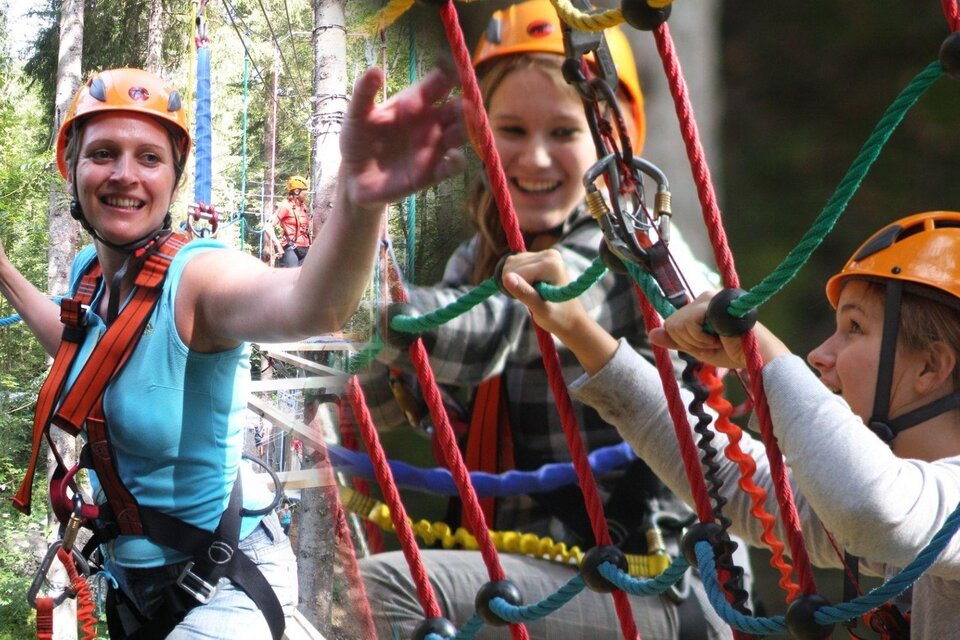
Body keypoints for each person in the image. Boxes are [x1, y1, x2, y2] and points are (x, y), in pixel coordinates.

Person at [0, 64, 465, 639]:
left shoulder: (199, 278)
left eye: (149, 158)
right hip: (133, 585)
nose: (125, 175)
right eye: (103, 153)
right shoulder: (89, 275)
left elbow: (309, 305)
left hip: (222, 584)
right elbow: (83, 351)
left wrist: (359, 201)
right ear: (71, 168)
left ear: (173, 178)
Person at [359, 2, 747, 638]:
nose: (536, 160)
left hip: (655, 586)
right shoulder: (476, 258)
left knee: (386, 588)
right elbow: (378, 394)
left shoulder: (628, 249)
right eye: (511, 129)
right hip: (540, 577)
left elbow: (494, 327)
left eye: (564, 133)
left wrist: (362, 306)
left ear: (609, 140)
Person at [500, 210, 960, 638]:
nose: (820, 355)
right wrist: (578, 330)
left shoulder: (918, 510)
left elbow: (871, 509)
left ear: (930, 368)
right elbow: (739, 484)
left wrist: (769, 356)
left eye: (854, 329)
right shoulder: (915, 509)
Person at [269, 175, 313, 267]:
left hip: (305, 248)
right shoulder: (285, 207)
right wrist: (278, 246)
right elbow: (268, 227)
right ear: (296, 192)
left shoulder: (303, 207)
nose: (306, 194)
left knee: (305, 279)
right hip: (291, 249)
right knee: (290, 278)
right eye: (304, 192)